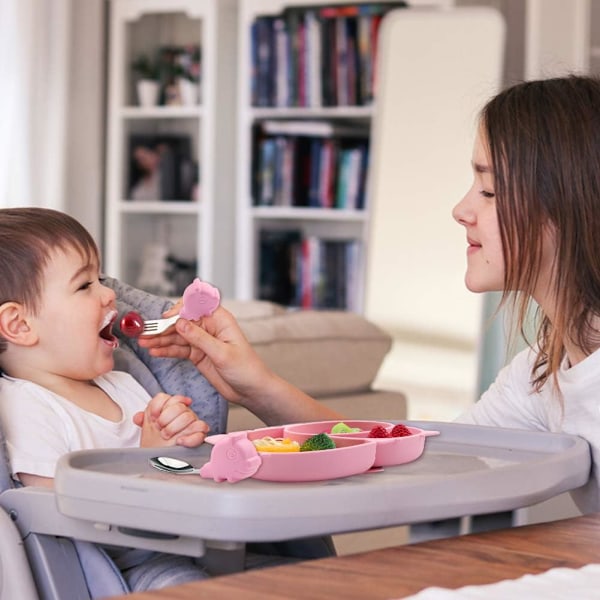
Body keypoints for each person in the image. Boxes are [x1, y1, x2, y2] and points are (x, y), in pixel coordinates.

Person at [139, 75, 600, 515]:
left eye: (490, 190)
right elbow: (418, 460)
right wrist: (257, 386)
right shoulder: (543, 373)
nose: (461, 210)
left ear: (568, 203)